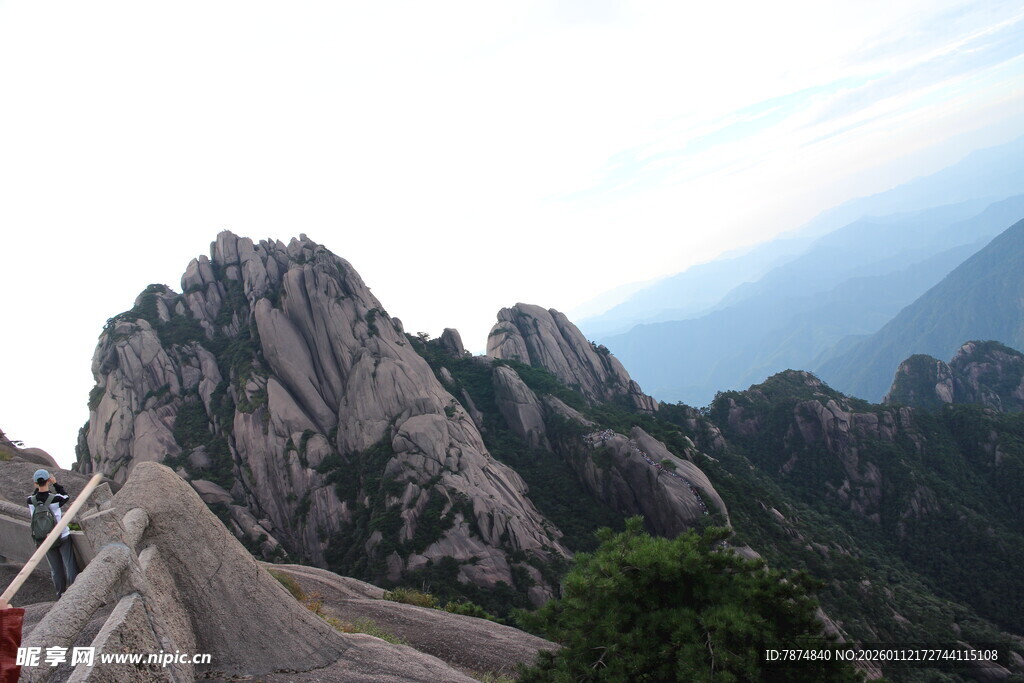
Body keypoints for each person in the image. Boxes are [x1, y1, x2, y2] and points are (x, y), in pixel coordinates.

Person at [26, 470, 78, 598]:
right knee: (69, 564)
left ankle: (60, 594)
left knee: (56, 569)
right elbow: (65, 496)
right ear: (48, 480)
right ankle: (75, 593)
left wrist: (37, 488)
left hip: (45, 538)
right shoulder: (56, 499)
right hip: (61, 535)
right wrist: (55, 483)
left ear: (35, 483)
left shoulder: (30, 501)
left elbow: (34, 495)